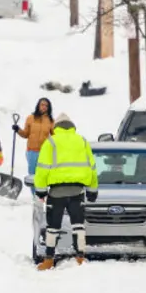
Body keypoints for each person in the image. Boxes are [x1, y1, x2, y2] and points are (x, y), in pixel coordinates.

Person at [33, 113, 98, 270]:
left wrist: (41, 191)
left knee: (52, 227)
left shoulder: (51, 142)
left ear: (56, 127)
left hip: (56, 193)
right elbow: (92, 167)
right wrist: (92, 190)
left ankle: (48, 260)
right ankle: (80, 258)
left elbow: (42, 169)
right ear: (72, 126)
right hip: (77, 191)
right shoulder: (82, 141)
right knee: (78, 226)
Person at [14, 97, 54, 176]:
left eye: (46, 106)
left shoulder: (51, 121)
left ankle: (41, 189)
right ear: (38, 106)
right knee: (32, 175)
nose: (44, 107)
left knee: (42, 175)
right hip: (31, 152)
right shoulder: (30, 118)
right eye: (42, 105)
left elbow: (55, 137)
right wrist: (18, 129)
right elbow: (25, 134)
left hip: (44, 152)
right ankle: (33, 189)